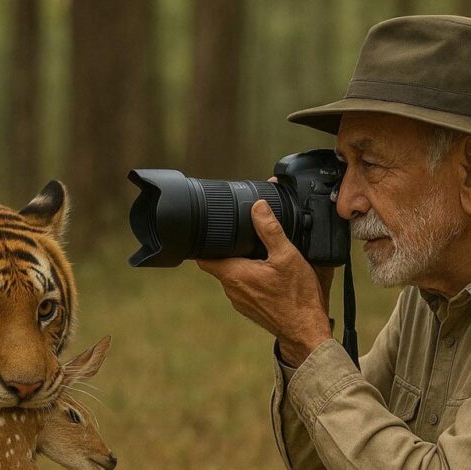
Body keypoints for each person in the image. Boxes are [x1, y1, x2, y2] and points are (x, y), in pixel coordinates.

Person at [198, 15, 471, 468]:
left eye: (371, 164)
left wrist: (310, 342)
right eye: (343, 164)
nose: (344, 203)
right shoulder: (426, 302)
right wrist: (299, 332)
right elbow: (322, 459)